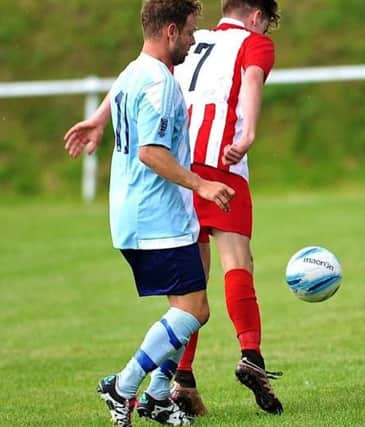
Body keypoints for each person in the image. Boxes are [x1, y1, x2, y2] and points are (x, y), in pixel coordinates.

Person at [64, 0, 283, 416]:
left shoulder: (176, 50)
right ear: (256, 16)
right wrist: (248, 134)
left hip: (167, 181)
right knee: (225, 274)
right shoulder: (249, 45)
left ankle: (170, 386)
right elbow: (251, 82)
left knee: (190, 297)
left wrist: (98, 117)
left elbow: (129, 81)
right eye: (267, 22)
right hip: (208, 173)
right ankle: (243, 354)